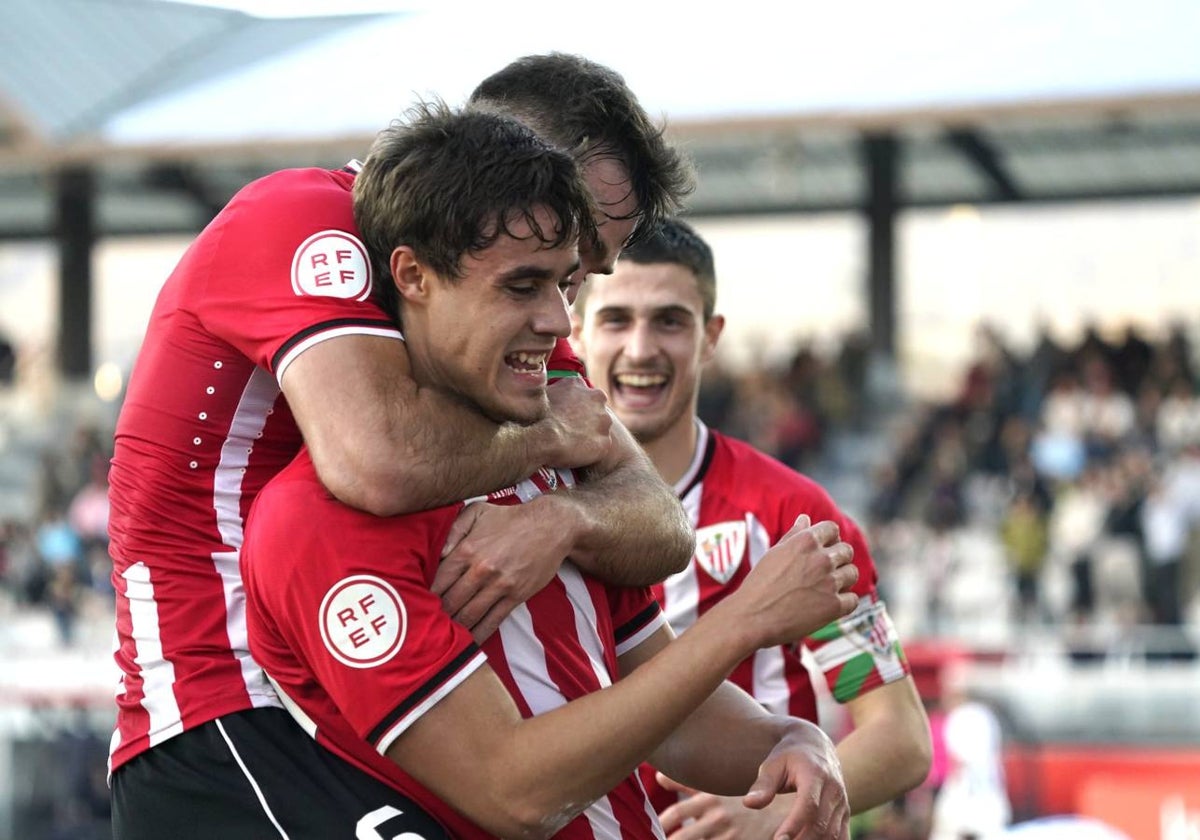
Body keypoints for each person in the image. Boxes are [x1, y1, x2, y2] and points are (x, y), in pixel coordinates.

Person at [108, 53, 695, 836]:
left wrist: (566, 520)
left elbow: (657, 518)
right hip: (223, 701)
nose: (563, 305)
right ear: (497, 151)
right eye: (555, 253)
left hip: (347, 704)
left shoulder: (505, 298)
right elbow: (375, 460)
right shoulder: (305, 217)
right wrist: (553, 435)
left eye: (580, 272)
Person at [242, 101, 861, 840]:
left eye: (566, 285)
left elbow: (673, 713)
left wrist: (793, 740)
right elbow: (517, 791)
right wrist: (743, 622)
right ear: (412, 275)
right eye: (521, 286)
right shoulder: (319, 518)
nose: (559, 322)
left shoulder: (558, 459)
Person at [570, 218, 932, 835]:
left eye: (670, 320)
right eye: (616, 320)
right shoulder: (532, 503)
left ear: (711, 337)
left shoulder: (791, 515)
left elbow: (900, 733)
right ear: (575, 333)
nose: (640, 348)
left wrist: (777, 813)